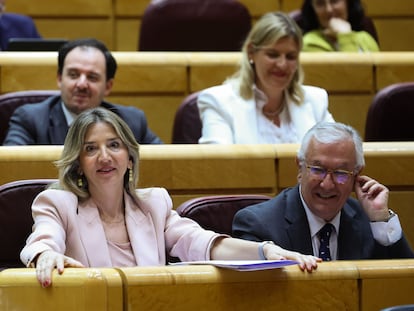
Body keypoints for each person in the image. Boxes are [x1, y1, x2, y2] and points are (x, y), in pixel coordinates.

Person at [20, 107, 320, 288]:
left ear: (130, 158)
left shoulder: (153, 204)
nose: (104, 157)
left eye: (114, 145)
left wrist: (265, 252)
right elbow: (45, 239)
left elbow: (200, 243)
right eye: (90, 149)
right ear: (78, 163)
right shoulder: (58, 203)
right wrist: (45, 255)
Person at [233, 122, 414, 260]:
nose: (327, 185)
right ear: (300, 168)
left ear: (357, 174)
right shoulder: (259, 225)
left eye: (341, 173)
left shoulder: (370, 222)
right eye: (317, 170)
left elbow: (403, 286)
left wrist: (381, 219)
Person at [197, 12, 334, 144]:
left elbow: (336, 158)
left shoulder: (316, 101)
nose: (282, 64)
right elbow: (217, 166)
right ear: (251, 52)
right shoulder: (218, 103)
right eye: (273, 55)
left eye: (290, 57)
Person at [3, 38, 162, 145]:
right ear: (60, 78)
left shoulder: (131, 121)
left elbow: (161, 165)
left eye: (92, 77)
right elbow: (13, 170)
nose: (82, 84)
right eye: (73, 75)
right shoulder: (30, 120)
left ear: (108, 86)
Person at [300, 0, 380, 52]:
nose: (329, 10)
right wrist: (345, 35)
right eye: (320, 3)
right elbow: (351, 74)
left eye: (334, 1)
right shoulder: (310, 43)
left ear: (347, 3)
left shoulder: (365, 38)